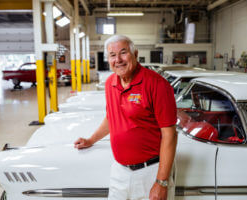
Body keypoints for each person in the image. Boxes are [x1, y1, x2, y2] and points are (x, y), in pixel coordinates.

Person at [74, 35, 177, 200]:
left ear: (135, 54)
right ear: (108, 59)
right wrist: (91, 140)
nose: (118, 60)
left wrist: (161, 182)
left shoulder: (157, 84)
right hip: (119, 172)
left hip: (150, 173)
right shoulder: (110, 84)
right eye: (112, 55)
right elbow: (112, 118)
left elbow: (169, 134)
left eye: (123, 53)